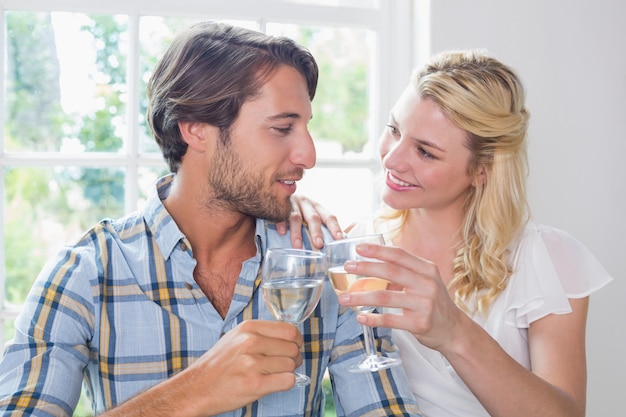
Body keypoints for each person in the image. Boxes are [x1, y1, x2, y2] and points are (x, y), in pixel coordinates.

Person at [0, 22, 422, 417]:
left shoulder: (319, 267)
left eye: (305, 127)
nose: (308, 155)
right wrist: (195, 390)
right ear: (196, 129)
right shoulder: (86, 273)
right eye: (281, 128)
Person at [288, 49, 613, 416]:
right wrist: (288, 207)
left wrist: (454, 332)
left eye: (425, 152)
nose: (392, 159)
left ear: (482, 170)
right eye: (394, 129)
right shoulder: (357, 248)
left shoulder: (548, 258)